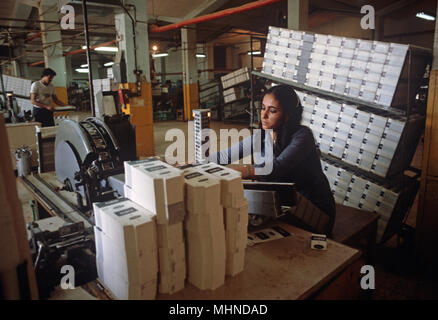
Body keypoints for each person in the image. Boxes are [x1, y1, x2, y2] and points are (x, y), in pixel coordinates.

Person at [211, 84, 336, 235]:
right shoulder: (263, 136)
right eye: (263, 108)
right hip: (285, 204)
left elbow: (275, 168)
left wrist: (241, 171)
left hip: (313, 211)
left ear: (288, 115)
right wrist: (196, 164)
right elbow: (224, 156)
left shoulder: (302, 136)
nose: (263, 116)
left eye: (272, 111)